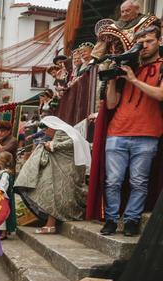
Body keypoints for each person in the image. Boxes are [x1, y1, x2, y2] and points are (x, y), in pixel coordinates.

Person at [100, 24, 163, 237]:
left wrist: (134, 80)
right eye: (141, 42)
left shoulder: (162, 66)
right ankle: (110, 219)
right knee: (113, 181)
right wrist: (110, 80)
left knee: (138, 181)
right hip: (117, 131)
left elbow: (161, 94)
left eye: (149, 42)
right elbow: (110, 104)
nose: (144, 46)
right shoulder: (128, 65)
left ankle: (131, 221)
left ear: (159, 42)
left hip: (147, 133)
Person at [15, 116, 90, 235]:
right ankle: (50, 224)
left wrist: (53, 145)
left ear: (52, 126)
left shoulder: (62, 131)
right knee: (53, 195)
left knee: (54, 195)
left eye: (46, 129)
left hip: (66, 170)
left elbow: (73, 143)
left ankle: (50, 225)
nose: (45, 132)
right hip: (66, 169)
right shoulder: (65, 130)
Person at [0, 152, 18, 239]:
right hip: (3, 197)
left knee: (3, 215)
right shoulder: (2, 172)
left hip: (4, 198)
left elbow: (3, 186)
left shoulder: (5, 174)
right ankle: (2, 231)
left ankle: (3, 233)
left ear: (1, 161)